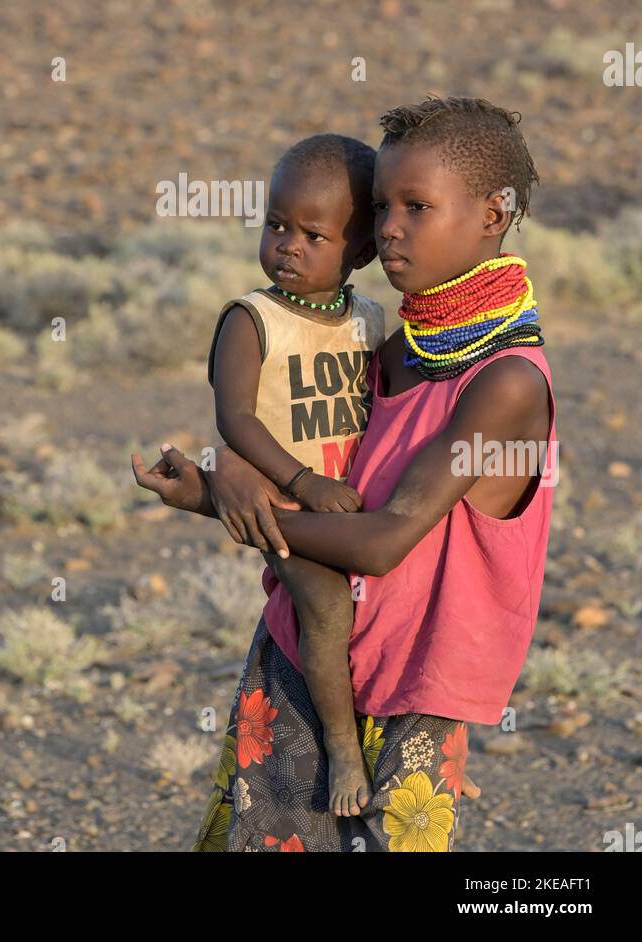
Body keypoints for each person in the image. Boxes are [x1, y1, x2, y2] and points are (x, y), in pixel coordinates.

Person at [132, 95, 557, 853]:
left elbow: (385, 540)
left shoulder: (505, 384)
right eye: (382, 207)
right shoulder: (392, 349)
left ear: (495, 214)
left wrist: (217, 499)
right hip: (306, 648)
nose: (389, 228)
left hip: (413, 693)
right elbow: (300, 435)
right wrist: (229, 472)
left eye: (417, 207)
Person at [207, 133, 385, 816]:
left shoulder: (368, 322)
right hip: (286, 507)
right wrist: (304, 483)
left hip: (352, 510)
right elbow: (236, 420)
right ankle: (342, 748)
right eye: (277, 225)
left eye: (314, 234)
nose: (288, 245)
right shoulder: (253, 321)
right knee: (328, 606)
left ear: (360, 252)